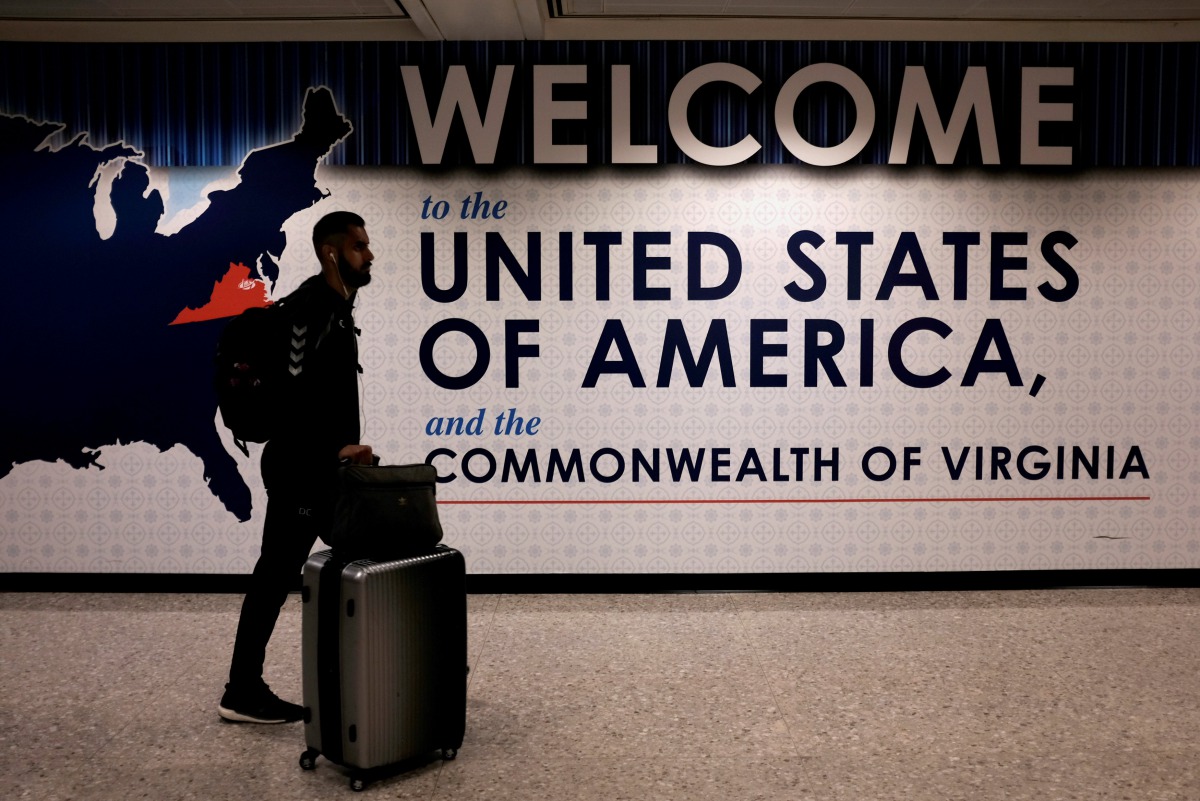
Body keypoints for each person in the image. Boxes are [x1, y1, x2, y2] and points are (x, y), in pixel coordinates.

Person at [218, 210, 377, 723]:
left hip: (326, 471)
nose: (369, 255)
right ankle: (242, 690)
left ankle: (378, 676)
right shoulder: (309, 312)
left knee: (364, 561)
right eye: (358, 246)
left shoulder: (337, 309)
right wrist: (334, 450)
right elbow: (290, 396)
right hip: (301, 471)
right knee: (274, 576)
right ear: (331, 252)